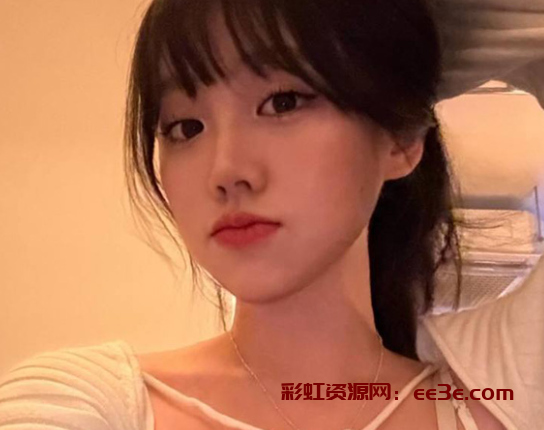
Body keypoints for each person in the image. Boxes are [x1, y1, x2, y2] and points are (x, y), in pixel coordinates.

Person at [0, 0, 543, 429]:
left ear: (400, 140)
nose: (226, 170)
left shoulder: (495, 399)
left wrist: (391, 40)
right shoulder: (89, 404)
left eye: (283, 102)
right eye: (186, 127)